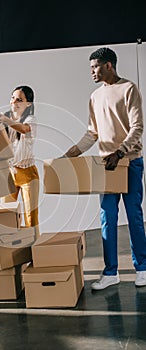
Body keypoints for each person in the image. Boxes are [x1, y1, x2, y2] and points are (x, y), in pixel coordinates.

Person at [64, 47, 146, 290]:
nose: (92, 72)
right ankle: (111, 272)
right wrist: (73, 152)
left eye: (95, 67)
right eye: (91, 68)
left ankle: (142, 268)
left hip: (129, 161)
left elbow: (137, 127)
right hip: (106, 166)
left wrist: (120, 152)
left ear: (109, 65)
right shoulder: (95, 97)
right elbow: (92, 133)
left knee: (134, 216)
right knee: (107, 218)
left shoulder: (129, 89)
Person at [0, 86, 40, 238]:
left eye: (19, 99)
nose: (14, 102)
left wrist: (5, 120)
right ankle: (12, 254)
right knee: (7, 217)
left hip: (28, 174)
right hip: (9, 175)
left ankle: (34, 253)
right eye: (13, 98)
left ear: (28, 104)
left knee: (30, 218)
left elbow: (24, 130)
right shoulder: (5, 121)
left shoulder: (30, 120)